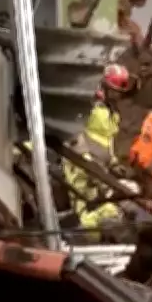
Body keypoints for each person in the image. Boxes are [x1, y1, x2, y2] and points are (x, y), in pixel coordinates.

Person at [61, 63, 137, 241]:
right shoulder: (88, 107)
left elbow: (106, 144)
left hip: (99, 170)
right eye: (114, 91)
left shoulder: (111, 113)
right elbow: (75, 134)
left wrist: (113, 163)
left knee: (123, 198)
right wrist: (87, 163)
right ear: (103, 86)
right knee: (90, 208)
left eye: (120, 92)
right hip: (80, 168)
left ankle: (103, 231)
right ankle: (79, 234)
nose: (117, 96)